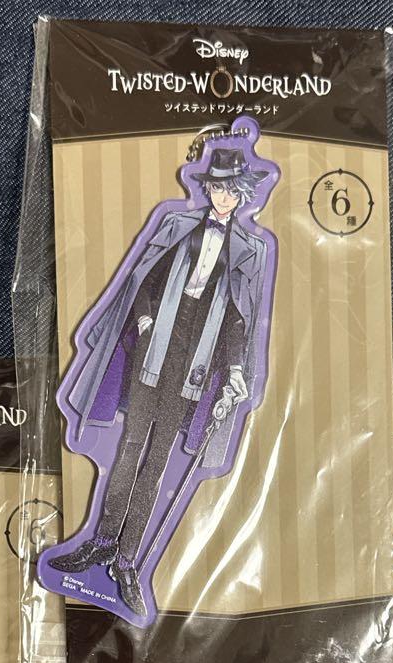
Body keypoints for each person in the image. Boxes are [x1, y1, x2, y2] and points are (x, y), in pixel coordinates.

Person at [48, 145, 272, 616]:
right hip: (154, 350)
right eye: (217, 188)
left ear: (243, 195)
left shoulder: (250, 251)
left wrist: (235, 370)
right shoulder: (178, 225)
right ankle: (103, 542)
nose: (223, 198)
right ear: (206, 187)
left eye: (232, 191)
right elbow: (143, 282)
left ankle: (127, 560)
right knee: (131, 447)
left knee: (157, 461)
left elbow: (238, 320)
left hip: (195, 366)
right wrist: (147, 324)